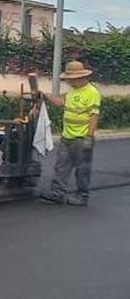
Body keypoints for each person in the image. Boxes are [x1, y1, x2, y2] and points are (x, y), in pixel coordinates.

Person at [40, 61, 101, 206]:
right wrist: (45, 95)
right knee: (61, 166)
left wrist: (89, 136)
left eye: (69, 79)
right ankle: (57, 193)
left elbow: (94, 116)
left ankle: (82, 196)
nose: (67, 81)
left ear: (78, 78)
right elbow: (60, 102)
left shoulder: (92, 93)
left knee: (82, 168)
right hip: (67, 136)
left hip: (81, 138)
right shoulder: (72, 92)